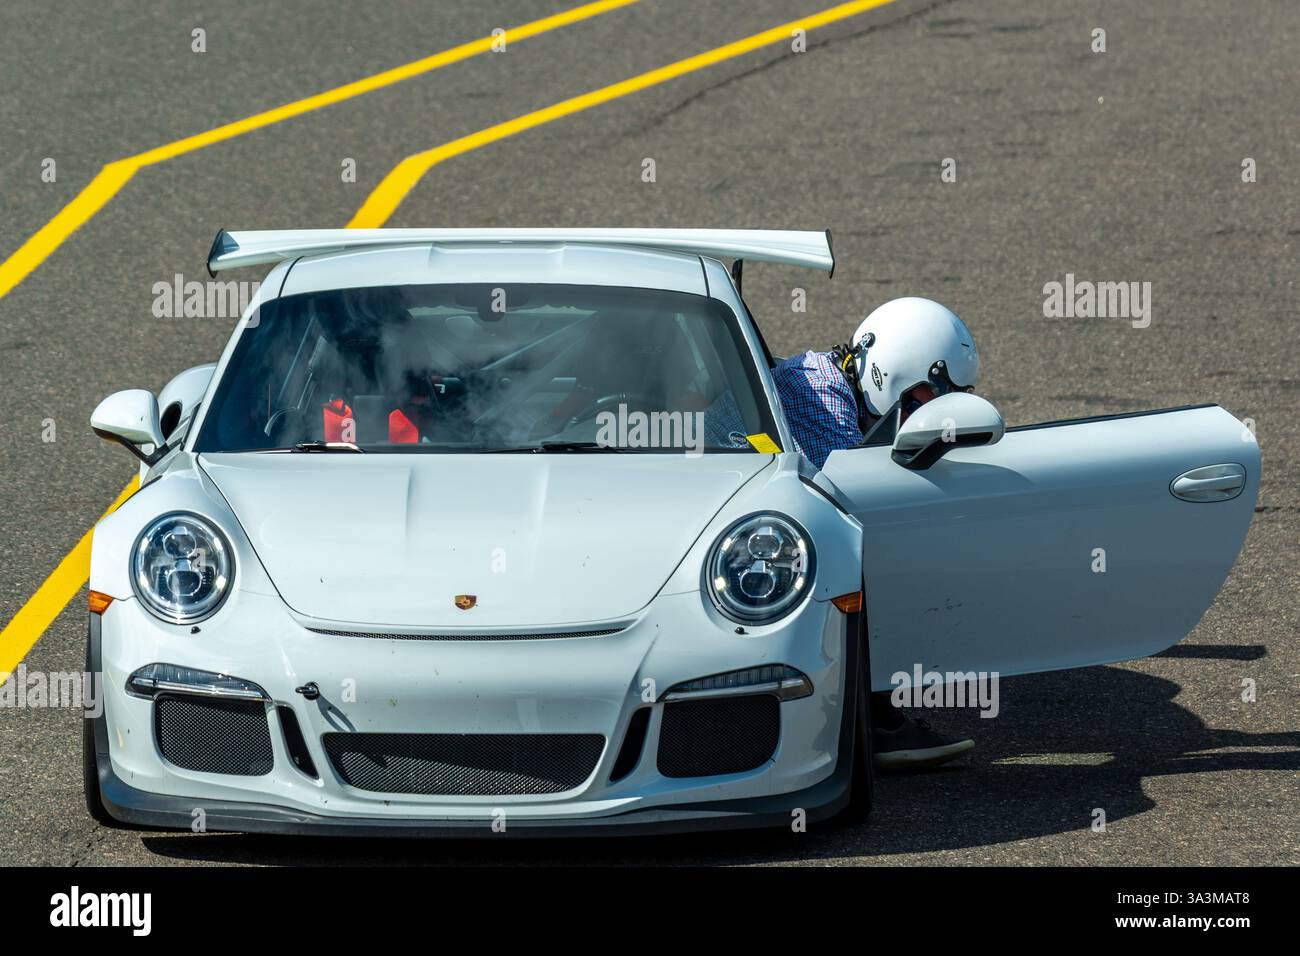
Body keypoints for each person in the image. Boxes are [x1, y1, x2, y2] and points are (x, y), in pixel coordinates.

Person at [771, 296, 980, 771]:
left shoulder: (831, 380)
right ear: (896, 375)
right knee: (876, 554)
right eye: (935, 398)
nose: (943, 416)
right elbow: (854, 512)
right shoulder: (818, 399)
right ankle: (874, 718)